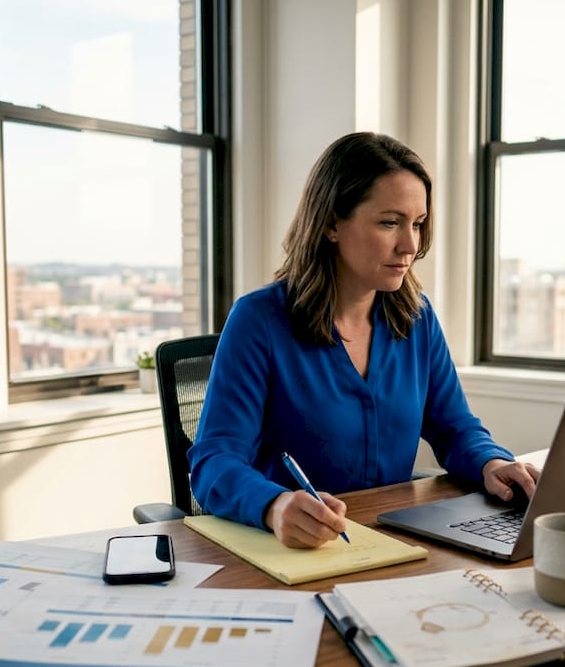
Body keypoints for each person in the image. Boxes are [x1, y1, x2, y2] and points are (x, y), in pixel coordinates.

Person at [188, 132, 539, 548]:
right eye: (390, 222)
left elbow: (455, 428)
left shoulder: (417, 318)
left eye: (418, 224)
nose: (410, 245)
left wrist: (490, 461)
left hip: (391, 542)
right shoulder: (259, 320)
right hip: (294, 551)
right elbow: (214, 461)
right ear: (331, 223)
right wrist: (275, 505)